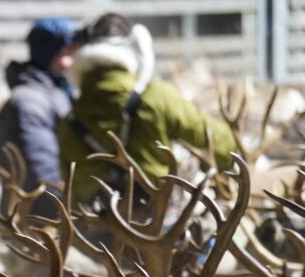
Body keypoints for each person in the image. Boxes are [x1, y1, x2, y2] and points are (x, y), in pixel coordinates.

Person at [56, 13, 237, 206]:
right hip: (158, 224)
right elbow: (222, 146)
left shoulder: (70, 119)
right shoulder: (157, 98)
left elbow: (70, 184)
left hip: (97, 228)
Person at [0, 17, 77, 210]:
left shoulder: (59, 93)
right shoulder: (29, 102)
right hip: (38, 221)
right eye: (65, 54)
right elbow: (41, 174)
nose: (70, 62)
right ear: (47, 54)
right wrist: (66, 212)